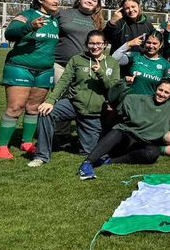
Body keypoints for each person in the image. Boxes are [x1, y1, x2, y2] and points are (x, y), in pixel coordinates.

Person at [27, 30, 120, 167]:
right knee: (46, 113)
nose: (95, 47)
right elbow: (64, 81)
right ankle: (41, 156)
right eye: (91, 43)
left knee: (89, 152)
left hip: (93, 113)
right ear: (86, 44)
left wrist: (100, 73)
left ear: (105, 44)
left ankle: (80, 140)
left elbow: (113, 88)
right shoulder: (77, 59)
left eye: (99, 44)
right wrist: (50, 101)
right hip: (73, 104)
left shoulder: (112, 63)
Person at [0, 0, 60, 160]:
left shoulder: (55, 21)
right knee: (15, 108)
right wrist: (30, 27)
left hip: (45, 70)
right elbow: (10, 33)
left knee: (33, 109)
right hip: (20, 67)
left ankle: (27, 142)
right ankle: (1, 146)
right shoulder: (28, 15)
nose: (56, 1)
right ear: (40, 0)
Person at [77, 79, 170, 179]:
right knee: (116, 132)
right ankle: (87, 163)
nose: (161, 94)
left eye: (166, 92)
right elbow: (115, 99)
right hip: (127, 137)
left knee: (153, 153)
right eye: (160, 90)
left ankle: (110, 161)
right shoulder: (139, 99)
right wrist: (124, 84)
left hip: (144, 144)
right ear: (156, 89)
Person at [51, 0, 104, 144]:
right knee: (62, 96)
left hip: (84, 65)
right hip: (60, 64)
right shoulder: (64, 14)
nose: (89, 1)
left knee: (81, 97)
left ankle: (84, 134)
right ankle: (61, 134)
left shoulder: (97, 20)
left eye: (94, 0)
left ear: (97, 5)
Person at [112, 30, 170, 95]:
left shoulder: (166, 65)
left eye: (155, 43)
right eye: (148, 42)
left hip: (149, 103)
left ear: (160, 45)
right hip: (130, 101)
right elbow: (114, 59)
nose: (151, 46)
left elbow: (167, 87)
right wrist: (128, 44)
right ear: (144, 43)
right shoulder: (135, 56)